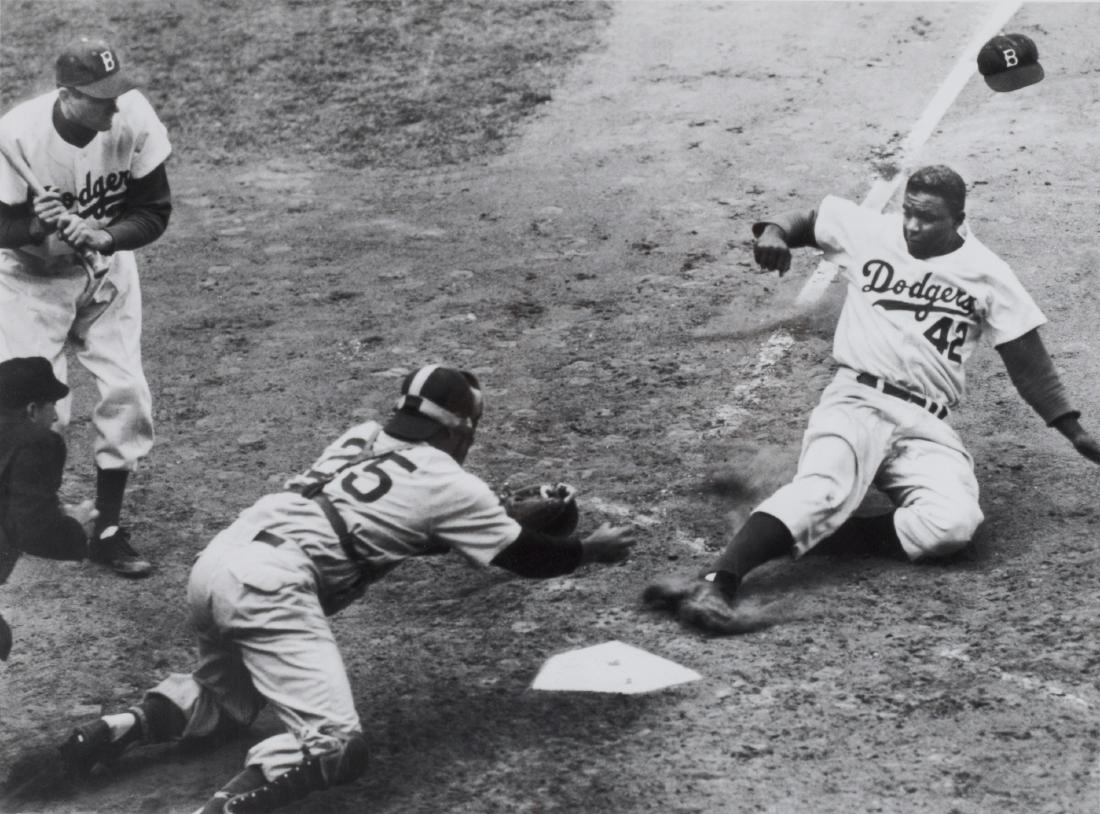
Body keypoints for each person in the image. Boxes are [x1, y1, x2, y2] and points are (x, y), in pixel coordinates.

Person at [60, 365, 636, 813]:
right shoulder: (450, 482)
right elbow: (525, 557)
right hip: (269, 589)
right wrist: (589, 549)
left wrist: (491, 520)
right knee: (334, 746)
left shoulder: (360, 436)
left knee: (225, 700)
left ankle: (113, 730)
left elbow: (391, 528)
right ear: (461, 431)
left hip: (218, 563)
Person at [645, 164, 1100, 634]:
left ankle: (820, 532)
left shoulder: (990, 274)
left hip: (925, 420)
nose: (913, 225)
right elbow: (809, 219)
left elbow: (1029, 363)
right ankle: (719, 581)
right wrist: (775, 233)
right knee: (821, 489)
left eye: (928, 218)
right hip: (855, 401)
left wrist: (1074, 431)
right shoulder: (870, 232)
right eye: (909, 212)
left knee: (952, 525)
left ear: (959, 220)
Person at [0, 36, 174, 577]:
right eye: (100, 98)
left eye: (115, 93)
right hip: (29, 281)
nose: (113, 106)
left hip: (105, 270)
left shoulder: (132, 118)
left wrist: (105, 237)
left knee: (128, 396)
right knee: (44, 411)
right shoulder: (17, 135)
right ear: (67, 95)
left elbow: (153, 211)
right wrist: (35, 224)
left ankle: (106, 529)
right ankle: (38, 523)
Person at [0, 356, 104, 660]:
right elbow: (33, 532)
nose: (56, 415)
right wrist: (74, 527)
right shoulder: (37, 442)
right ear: (32, 410)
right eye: (52, 405)